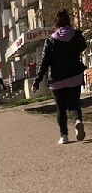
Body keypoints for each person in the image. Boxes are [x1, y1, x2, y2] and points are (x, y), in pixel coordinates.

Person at [32, 9, 87, 144]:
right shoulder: (76, 35)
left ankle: (64, 136)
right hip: (74, 76)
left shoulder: (50, 41)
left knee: (61, 108)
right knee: (74, 105)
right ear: (68, 22)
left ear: (56, 25)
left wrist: (37, 81)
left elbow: (44, 63)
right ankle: (77, 121)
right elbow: (83, 46)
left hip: (57, 80)